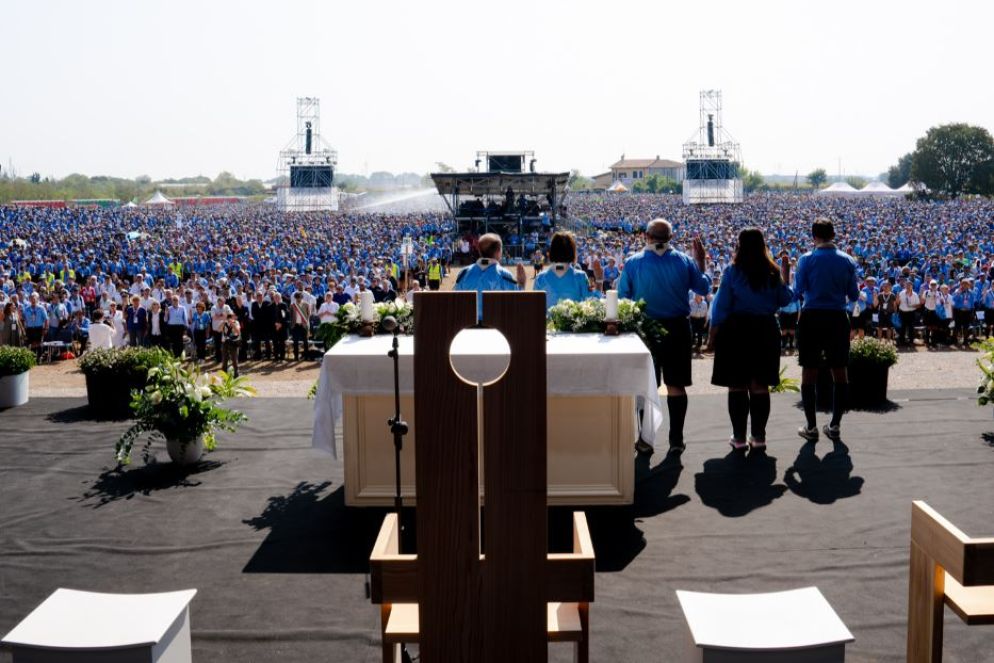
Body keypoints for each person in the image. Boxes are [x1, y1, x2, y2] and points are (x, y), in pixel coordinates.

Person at [617, 218, 711, 453]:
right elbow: (703, 288)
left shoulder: (632, 263)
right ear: (670, 238)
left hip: (645, 330)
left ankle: (645, 440)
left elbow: (621, 298)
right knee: (676, 386)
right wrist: (701, 263)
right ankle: (676, 440)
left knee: (643, 386)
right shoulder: (685, 261)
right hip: (677, 329)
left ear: (646, 236)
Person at [707, 228, 793, 451]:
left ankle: (738, 438)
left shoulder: (733, 271)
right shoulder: (773, 272)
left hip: (736, 330)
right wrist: (786, 276)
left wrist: (712, 336)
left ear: (740, 245)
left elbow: (721, 307)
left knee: (737, 385)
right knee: (760, 385)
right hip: (765, 329)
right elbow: (786, 300)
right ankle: (759, 437)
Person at [793, 218, 859, 441]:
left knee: (809, 371)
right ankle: (835, 425)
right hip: (837, 317)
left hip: (812, 316)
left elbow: (797, 291)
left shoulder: (806, 259)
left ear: (814, 236)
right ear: (833, 235)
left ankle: (811, 427)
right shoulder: (848, 260)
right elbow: (855, 295)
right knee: (840, 371)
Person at [453, 233, 527, 319]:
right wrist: (521, 285)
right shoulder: (505, 275)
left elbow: (455, 301)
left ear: (479, 250)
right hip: (497, 328)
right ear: (499, 251)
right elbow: (517, 304)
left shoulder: (464, 273)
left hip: (468, 328)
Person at [533, 231, 593, 310]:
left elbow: (534, 308)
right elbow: (591, 305)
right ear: (572, 251)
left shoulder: (540, 278)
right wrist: (599, 282)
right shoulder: (581, 277)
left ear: (552, 251)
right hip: (574, 322)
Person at [23, 292, 48, 358]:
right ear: (30, 300)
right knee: (31, 344)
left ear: (37, 299)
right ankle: (32, 358)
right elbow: (24, 319)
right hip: (30, 328)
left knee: (39, 343)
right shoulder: (26, 309)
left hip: (39, 328)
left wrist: (45, 329)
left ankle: (39, 358)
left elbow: (46, 319)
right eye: (31, 299)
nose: (33, 300)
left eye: (34, 299)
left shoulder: (41, 308)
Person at [289, 291, 311, 361]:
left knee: (305, 341)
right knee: (295, 341)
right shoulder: (292, 305)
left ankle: (306, 356)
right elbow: (291, 315)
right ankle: (296, 357)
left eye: (299, 297)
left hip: (303, 325)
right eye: (297, 297)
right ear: (295, 298)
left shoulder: (306, 304)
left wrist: (306, 323)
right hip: (296, 326)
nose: (298, 299)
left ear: (302, 297)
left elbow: (308, 314)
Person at [220, 306, 242, 377]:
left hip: (233, 342)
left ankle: (236, 373)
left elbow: (238, 332)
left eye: (231, 316)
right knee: (224, 359)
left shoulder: (236, 322)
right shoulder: (224, 323)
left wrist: (233, 324)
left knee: (234, 359)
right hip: (225, 342)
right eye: (228, 316)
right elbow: (219, 330)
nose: (229, 317)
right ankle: (224, 374)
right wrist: (223, 322)